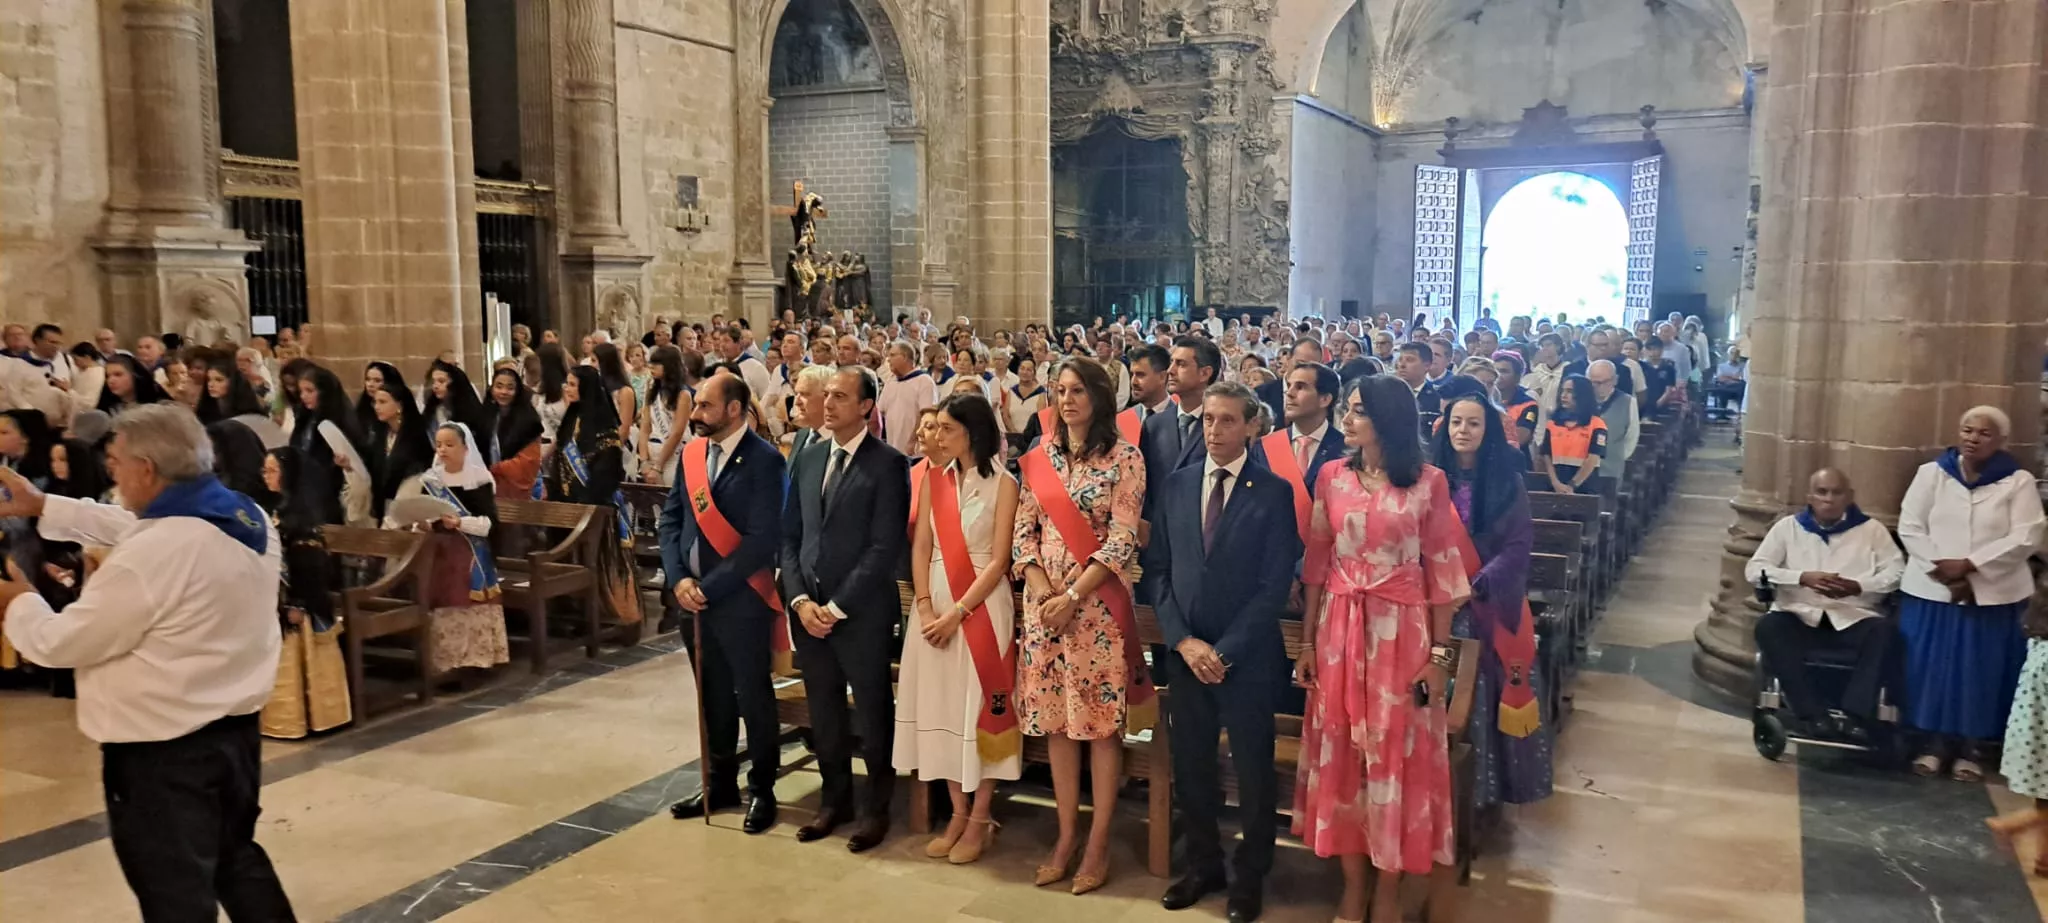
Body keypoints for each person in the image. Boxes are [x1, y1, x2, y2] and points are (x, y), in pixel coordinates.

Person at [0, 404, 297, 922]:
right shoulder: (243, 515)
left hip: (162, 756)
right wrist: (45, 505)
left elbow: (60, 643)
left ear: (146, 470)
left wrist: (18, 602)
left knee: (174, 895)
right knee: (237, 861)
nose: (109, 470)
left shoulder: (153, 555)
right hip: (233, 736)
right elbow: (144, 528)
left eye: (114, 462)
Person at [1294, 375, 1471, 923]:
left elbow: (1443, 572)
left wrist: (1440, 658)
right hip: (1339, 634)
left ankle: (1389, 890)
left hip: (1402, 634)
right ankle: (1352, 886)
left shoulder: (1428, 483)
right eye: (1346, 409)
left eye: (1358, 411)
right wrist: (1306, 640)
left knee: (1394, 760)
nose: (1347, 420)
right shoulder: (1332, 476)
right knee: (1344, 755)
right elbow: (1318, 565)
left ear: (1388, 419)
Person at [1149, 381, 1296, 922]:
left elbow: (1273, 585)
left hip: (1247, 657)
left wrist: (1225, 650)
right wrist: (1183, 641)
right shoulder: (1179, 483)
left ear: (1251, 426)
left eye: (1228, 421)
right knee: (1192, 767)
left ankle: (1249, 875)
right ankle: (1204, 863)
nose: (1214, 430)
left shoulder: (1272, 491)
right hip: (1187, 655)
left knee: (1254, 771)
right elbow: (1159, 571)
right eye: (1209, 420)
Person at [1012, 356, 1149, 895]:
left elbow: (1122, 538)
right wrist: (1041, 586)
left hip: (1096, 611)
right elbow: (1024, 533)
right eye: (1058, 390)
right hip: (1045, 611)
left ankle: (1098, 841)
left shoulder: (1126, 458)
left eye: (1076, 390)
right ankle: (1066, 835)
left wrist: (1072, 594)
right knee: (1059, 727)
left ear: (1098, 395)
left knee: (1098, 728)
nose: (1065, 399)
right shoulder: (1038, 458)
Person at [780, 364, 911, 852]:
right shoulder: (809, 455)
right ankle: (834, 802)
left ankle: (876, 809)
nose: (828, 403)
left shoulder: (887, 464)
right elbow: (791, 536)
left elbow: (883, 548)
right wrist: (799, 600)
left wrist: (834, 607)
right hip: (808, 611)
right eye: (826, 394)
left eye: (840, 396)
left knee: (873, 714)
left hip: (860, 614)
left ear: (865, 407)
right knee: (825, 713)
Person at [896, 392, 1021, 866]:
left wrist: (957, 613)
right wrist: (926, 607)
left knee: (977, 708)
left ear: (972, 431)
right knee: (942, 703)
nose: (937, 436)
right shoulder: (933, 479)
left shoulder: (1004, 483)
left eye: (947, 428)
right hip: (933, 610)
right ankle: (957, 810)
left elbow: (1000, 559)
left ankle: (981, 815)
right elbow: (922, 545)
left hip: (981, 609)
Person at [664, 374, 789, 834]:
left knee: (751, 696)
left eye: (704, 406)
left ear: (733, 410)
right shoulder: (693, 455)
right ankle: (720, 783)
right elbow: (671, 518)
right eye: (695, 404)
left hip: (739, 599)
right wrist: (678, 579)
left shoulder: (765, 462)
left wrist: (710, 588)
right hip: (691, 598)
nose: (695, 414)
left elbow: (761, 541)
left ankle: (762, 789)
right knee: (711, 695)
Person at [1896, 406, 2045, 781]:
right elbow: (1910, 525)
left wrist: (1972, 565)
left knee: (1980, 671)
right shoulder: (1931, 475)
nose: (1973, 438)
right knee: (1932, 669)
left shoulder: (2018, 481)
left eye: (1983, 433)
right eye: (1967, 430)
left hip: (1994, 594)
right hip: (1932, 590)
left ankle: (1972, 748)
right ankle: (1933, 743)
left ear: (2000, 441)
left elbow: (2027, 535)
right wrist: (1943, 569)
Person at [1432, 392, 1554, 812]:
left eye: (1473, 423)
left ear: (1488, 432)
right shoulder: (1429, 480)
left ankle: (1483, 794)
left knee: (1482, 690)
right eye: (1456, 423)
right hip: (1438, 603)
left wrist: (1480, 581)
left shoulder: (1507, 482)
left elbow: (1520, 543)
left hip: (1488, 601)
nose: (1463, 431)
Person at [1744, 468, 1904, 734]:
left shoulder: (1871, 530)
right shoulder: (1788, 528)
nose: (1828, 499)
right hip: (1799, 616)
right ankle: (1812, 714)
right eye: (1821, 492)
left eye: (1836, 492)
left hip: (1853, 617)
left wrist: (1858, 586)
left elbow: (1897, 573)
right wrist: (1801, 578)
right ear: (1809, 496)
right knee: (1768, 627)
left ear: (1849, 496)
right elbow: (1755, 569)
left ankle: (1857, 713)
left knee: (1886, 634)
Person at [257, 446, 347, 740]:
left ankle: (314, 717)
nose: (266, 476)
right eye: (265, 470)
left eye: (272, 470)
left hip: (301, 600)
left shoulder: (301, 514)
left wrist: (298, 603)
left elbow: (311, 566)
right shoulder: (277, 509)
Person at [546, 366, 641, 625]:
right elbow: (560, 461)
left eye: (573, 384)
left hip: (596, 511)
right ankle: (572, 611)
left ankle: (605, 614)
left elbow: (607, 472)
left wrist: (584, 501)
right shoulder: (571, 419)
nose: (567, 388)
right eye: (567, 383)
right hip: (568, 508)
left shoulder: (603, 427)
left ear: (586, 388)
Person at [1536, 375, 1607, 496]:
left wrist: (1572, 486)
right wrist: (1555, 483)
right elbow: (1546, 455)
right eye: (1562, 391)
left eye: (1570, 391)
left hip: (1584, 485)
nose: (1563, 395)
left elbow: (1592, 459)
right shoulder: (1553, 423)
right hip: (1556, 483)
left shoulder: (1596, 424)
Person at [637, 345, 694, 485]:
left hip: (674, 455)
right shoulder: (651, 388)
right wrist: (644, 461)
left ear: (669, 366)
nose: (652, 367)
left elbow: (676, 433)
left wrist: (658, 466)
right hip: (651, 452)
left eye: (657, 364)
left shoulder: (683, 395)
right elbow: (645, 427)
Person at [485, 367, 544, 499]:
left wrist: (496, 468)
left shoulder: (529, 421)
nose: (503, 392)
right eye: (499, 386)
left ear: (517, 391)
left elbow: (528, 462)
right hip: (488, 487)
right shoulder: (485, 415)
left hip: (517, 491)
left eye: (510, 388)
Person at [1585, 360, 1639, 482]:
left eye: (1606, 381)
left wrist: (1616, 456)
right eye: (1596, 383)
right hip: (1580, 469)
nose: (1601, 386)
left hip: (1611, 471)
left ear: (1615, 380)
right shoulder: (1579, 401)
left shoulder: (1628, 402)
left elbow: (1631, 437)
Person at [1392, 341, 1442, 432]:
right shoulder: (1386, 394)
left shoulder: (1438, 398)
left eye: (1410, 360)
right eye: (1400, 360)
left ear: (1427, 366)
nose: (1402, 365)